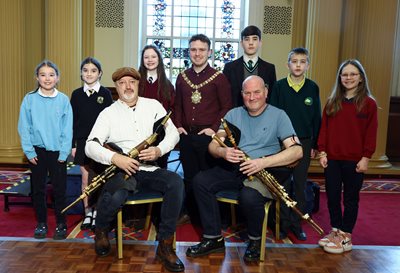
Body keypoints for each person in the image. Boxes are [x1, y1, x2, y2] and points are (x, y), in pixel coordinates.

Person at [186, 75, 303, 262]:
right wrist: (222, 153)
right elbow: (213, 144)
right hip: (235, 167)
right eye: (247, 93)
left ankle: (255, 241)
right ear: (242, 95)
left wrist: (263, 162)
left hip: (262, 170)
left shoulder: (279, 115)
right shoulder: (233, 114)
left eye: (257, 92)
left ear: (265, 92)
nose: (252, 97)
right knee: (200, 181)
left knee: (249, 196)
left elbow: (296, 151)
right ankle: (213, 238)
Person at [85, 67, 184, 272]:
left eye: (132, 82)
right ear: (117, 87)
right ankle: (102, 230)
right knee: (116, 195)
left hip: (149, 168)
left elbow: (173, 134)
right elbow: (90, 146)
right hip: (121, 169)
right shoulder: (108, 113)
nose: (127, 86)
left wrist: (158, 150)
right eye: (122, 83)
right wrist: (115, 158)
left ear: (139, 84)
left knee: (176, 182)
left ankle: (165, 245)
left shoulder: (153, 106)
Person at [317, 59, 378, 254]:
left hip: (355, 161)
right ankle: (335, 230)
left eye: (353, 74)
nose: (348, 78)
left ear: (360, 78)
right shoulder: (332, 102)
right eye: (345, 74)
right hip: (332, 158)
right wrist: (323, 151)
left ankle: (346, 235)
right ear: (340, 78)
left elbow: (371, 133)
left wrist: (366, 157)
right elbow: (324, 129)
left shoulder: (369, 104)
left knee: (351, 199)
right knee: (332, 197)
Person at [174, 34, 232, 224]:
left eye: (201, 50)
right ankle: (191, 213)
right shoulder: (182, 78)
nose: (197, 54)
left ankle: (209, 216)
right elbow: (177, 106)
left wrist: (214, 129)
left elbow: (226, 107)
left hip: (208, 137)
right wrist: (179, 126)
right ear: (188, 51)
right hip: (187, 136)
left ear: (209, 52)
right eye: (193, 50)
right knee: (189, 177)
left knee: (207, 178)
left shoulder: (219, 78)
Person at [269, 47, 321, 241]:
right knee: (282, 185)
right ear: (288, 64)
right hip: (282, 143)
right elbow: (272, 115)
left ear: (307, 65)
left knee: (299, 185)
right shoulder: (279, 87)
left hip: (305, 143)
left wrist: (315, 144)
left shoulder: (312, 87)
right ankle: (281, 224)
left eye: (302, 62)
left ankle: (296, 223)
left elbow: (317, 117)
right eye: (294, 61)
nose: (298, 65)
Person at [18, 60, 73, 240]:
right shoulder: (29, 99)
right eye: (43, 75)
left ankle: (61, 224)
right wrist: (29, 151)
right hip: (37, 152)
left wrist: (64, 153)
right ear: (37, 77)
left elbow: (67, 129)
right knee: (38, 190)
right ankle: (41, 223)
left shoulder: (64, 100)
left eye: (51, 75)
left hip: (58, 153)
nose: (47, 78)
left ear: (57, 78)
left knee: (59, 190)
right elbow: (24, 126)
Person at [70, 57, 113, 230]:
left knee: (101, 178)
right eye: (86, 70)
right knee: (86, 179)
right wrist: (73, 145)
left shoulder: (105, 94)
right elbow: (72, 122)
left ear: (100, 73)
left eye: (93, 71)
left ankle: (98, 212)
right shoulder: (76, 94)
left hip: (100, 143)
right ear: (81, 73)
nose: (89, 74)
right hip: (81, 142)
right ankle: (88, 212)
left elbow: (111, 120)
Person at [138, 44, 175, 168]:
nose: (150, 60)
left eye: (153, 56)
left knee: (160, 169)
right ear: (142, 60)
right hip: (139, 132)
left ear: (159, 59)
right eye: (146, 57)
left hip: (160, 134)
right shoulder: (136, 82)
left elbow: (172, 109)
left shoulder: (167, 85)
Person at [223, 25, 276, 107]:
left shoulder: (269, 68)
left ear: (260, 43)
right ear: (241, 43)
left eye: (254, 39)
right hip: (236, 116)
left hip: (262, 116)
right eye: (247, 39)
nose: (251, 43)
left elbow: (272, 97)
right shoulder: (230, 68)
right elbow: (225, 97)